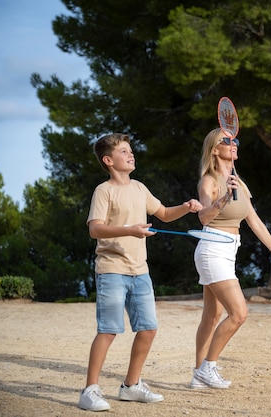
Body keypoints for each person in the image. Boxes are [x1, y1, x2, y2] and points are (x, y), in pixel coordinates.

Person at [79, 133, 203, 411]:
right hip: (112, 269)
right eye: (124, 151)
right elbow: (95, 229)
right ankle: (89, 390)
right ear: (108, 160)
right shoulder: (104, 191)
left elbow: (163, 213)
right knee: (109, 331)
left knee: (148, 329)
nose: (131, 154)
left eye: (131, 150)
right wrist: (131, 230)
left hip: (140, 271)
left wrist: (186, 207)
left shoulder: (139, 187)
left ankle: (131, 386)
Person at [190, 128, 271, 389]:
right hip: (212, 248)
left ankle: (198, 374)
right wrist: (224, 198)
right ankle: (208, 367)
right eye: (227, 141)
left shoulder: (240, 182)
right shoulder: (210, 182)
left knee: (212, 315)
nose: (234, 143)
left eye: (235, 139)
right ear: (215, 150)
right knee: (238, 313)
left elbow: (255, 222)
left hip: (229, 251)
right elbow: (203, 217)